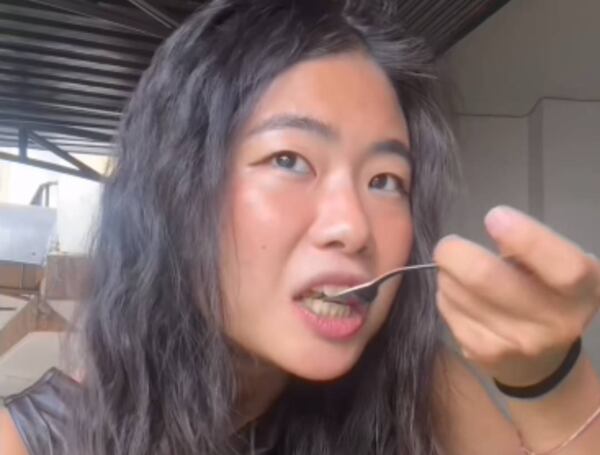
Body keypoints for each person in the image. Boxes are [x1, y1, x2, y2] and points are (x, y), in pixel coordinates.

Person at [1, 1, 599, 454]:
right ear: (174, 191)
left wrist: (551, 383)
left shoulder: (421, 387)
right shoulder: (30, 442)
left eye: (386, 180)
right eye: (289, 160)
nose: (353, 227)